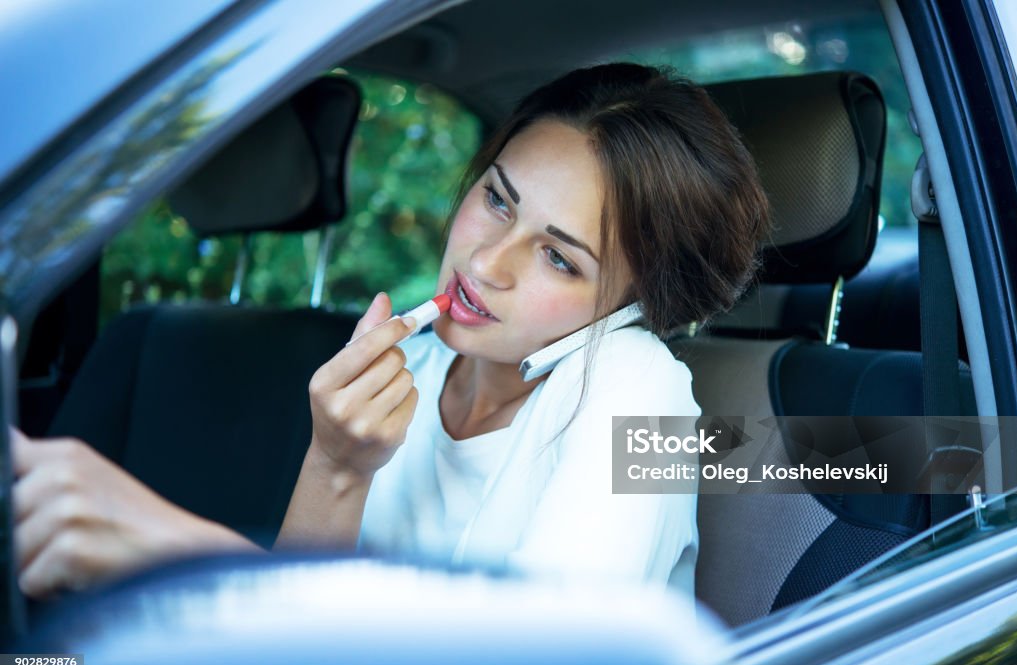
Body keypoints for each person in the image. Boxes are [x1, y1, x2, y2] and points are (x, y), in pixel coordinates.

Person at [11, 62, 769, 598]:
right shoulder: (422, 357)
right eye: (498, 201)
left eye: (558, 258)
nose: (485, 261)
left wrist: (168, 544)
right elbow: (298, 643)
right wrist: (335, 462)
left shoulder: (646, 390)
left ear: (634, 299)